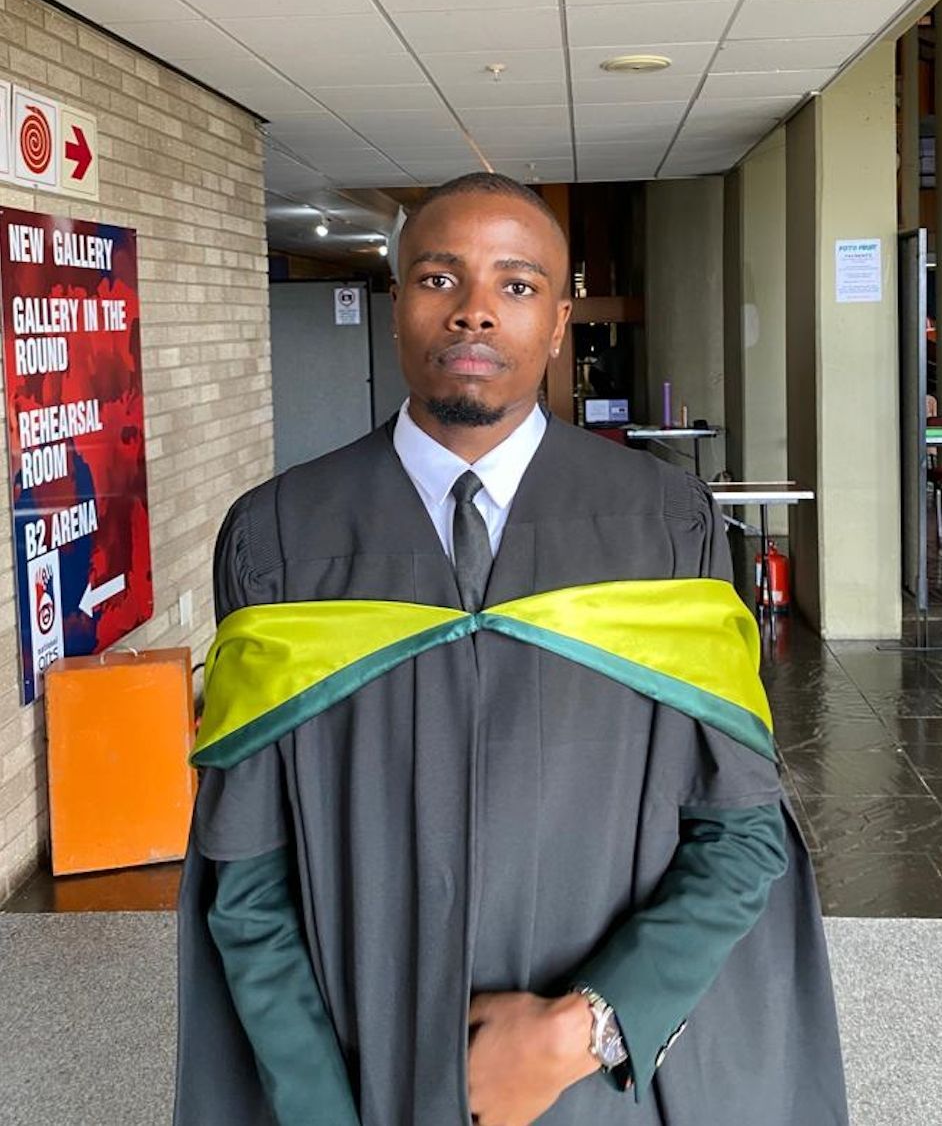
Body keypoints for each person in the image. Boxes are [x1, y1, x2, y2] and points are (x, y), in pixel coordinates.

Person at [174, 173, 848, 1126]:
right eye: (438, 280)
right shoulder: (278, 536)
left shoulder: (665, 529)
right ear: (396, 299)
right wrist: (316, 1100)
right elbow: (247, 867)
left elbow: (739, 833)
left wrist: (587, 1032)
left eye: (517, 286)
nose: (475, 312)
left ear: (561, 319)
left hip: (596, 1086)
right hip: (364, 1074)